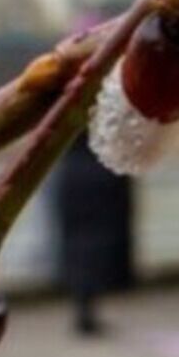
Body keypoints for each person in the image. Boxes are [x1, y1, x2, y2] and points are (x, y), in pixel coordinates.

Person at [51, 135, 138, 336]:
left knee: (78, 243)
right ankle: (87, 306)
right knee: (95, 244)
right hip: (103, 173)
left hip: (74, 176)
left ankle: (84, 305)